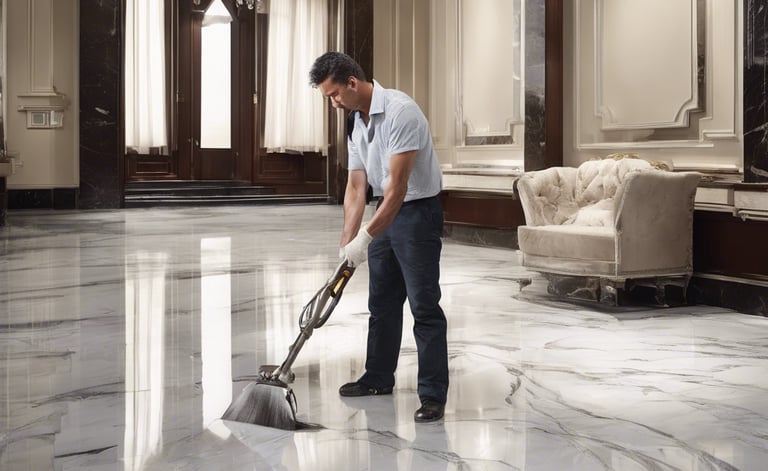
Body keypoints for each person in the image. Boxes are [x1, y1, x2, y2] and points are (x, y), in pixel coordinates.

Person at [309, 52, 448, 422]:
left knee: (424, 306)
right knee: (382, 303)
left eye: (335, 94)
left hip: (417, 212)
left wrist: (365, 237)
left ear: (352, 83)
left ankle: (433, 394)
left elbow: (398, 189)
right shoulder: (356, 120)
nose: (334, 103)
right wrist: (347, 245)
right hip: (385, 212)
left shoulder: (402, 112)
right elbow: (356, 189)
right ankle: (377, 378)